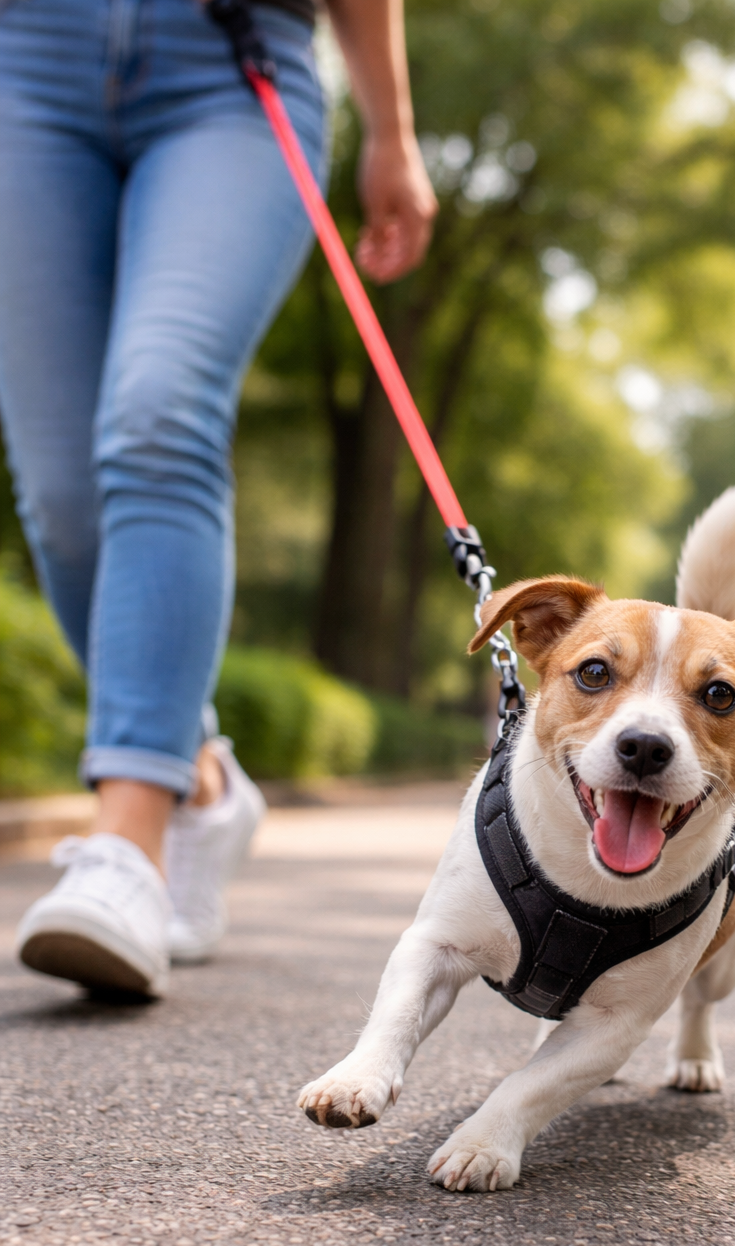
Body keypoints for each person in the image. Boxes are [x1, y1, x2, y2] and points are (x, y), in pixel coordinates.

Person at [0, 0, 437, 996]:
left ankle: (127, 850)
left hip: (231, 61)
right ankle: (193, 770)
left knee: (157, 411)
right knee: (63, 493)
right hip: (23, 54)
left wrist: (391, 129)